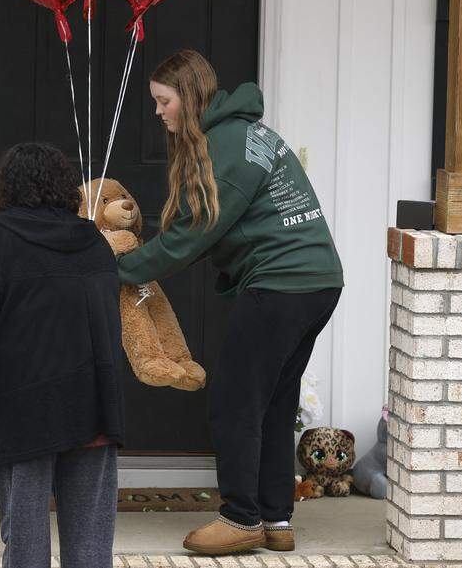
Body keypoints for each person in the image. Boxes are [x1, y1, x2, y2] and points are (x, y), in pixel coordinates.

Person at [116, 50, 344, 555]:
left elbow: (190, 237)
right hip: (316, 283)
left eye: (163, 101)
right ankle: (275, 517)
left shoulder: (227, 145)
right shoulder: (244, 135)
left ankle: (240, 518)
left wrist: (117, 270)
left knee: (235, 402)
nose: (158, 112)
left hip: (282, 284)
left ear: (189, 98)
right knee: (273, 402)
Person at [0, 143, 124, 568]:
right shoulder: (95, 244)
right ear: (66, 188)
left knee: (25, 548)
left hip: (22, 415)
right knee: (91, 549)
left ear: (6, 188)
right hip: (92, 409)